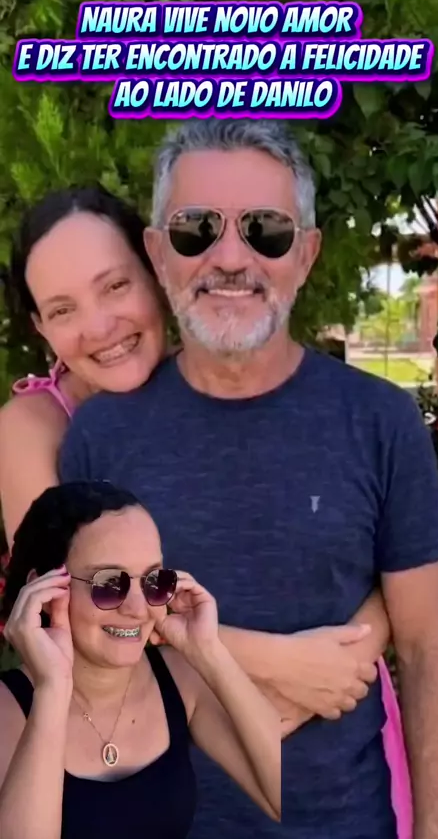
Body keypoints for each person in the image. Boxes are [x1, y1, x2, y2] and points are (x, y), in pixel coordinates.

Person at [52, 118, 438, 839]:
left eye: (265, 230)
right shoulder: (101, 436)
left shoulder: (380, 422)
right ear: (158, 252)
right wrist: (271, 669)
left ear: (305, 254)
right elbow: (80, 646)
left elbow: (429, 652)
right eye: (196, 230)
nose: (230, 258)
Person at [0, 180, 404, 835]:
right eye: (63, 308)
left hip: (330, 726)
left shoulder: (230, 377)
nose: (99, 327)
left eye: (115, 286)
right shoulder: (34, 429)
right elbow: (74, 608)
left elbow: (379, 546)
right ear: (40, 327)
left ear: (160, 271)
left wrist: (352, 656)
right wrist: (291, 666)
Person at [0, 480, 280, 839]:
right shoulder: (8, 710)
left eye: (153, 581)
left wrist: (210, 653)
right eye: (109, 583)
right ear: (45, 589)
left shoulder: (179, 678)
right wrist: (52, 690)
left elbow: (280, 796)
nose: (138, 608)